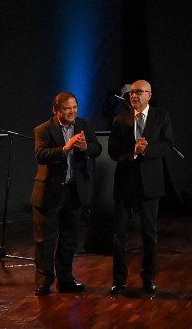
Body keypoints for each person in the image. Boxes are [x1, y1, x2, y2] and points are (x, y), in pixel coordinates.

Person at [30, 91, 102, 296]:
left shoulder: (85, 126)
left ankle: (66, 279)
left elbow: (97, 149)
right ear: (56, 110)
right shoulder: (43, 129)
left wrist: (86, 146)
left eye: (74, 108)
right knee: (45, 240)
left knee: (69, 239)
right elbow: (40, 155)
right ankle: (43, 282)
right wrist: (65, 148)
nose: (72, 112)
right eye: (67, 108)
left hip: (74, 192)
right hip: (49, 192)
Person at [108, 79, 174, 295]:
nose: (134, 95)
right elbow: (113, 152)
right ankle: (119, 279)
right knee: (120, 235)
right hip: (125, 184)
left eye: (139, 92)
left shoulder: (160, 116)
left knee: (149, 234)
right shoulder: (119, 119)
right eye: (131, 92)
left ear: (149, 95)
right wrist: (134, 152)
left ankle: (149, 277)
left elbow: (167, 145)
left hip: (150, 184)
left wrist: (147, 150)